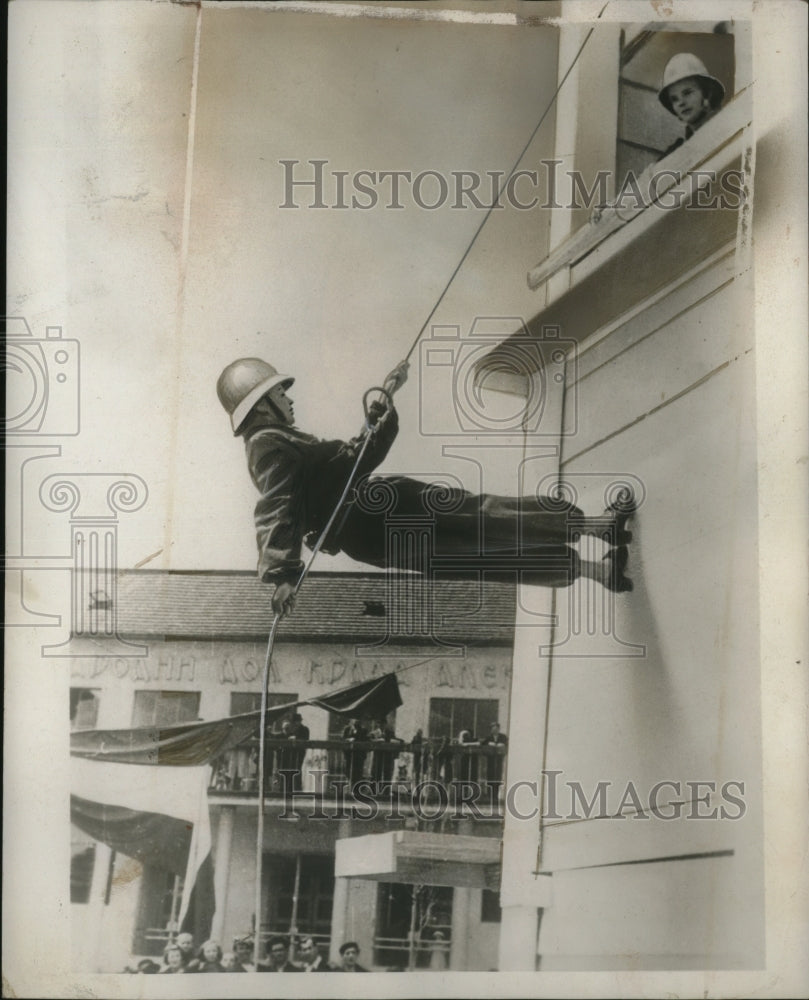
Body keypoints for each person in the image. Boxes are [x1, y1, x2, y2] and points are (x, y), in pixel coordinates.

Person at [216, 358, 635, 620]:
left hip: (366, 536)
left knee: (473, 557)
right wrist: (283, 575)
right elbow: (276, 507)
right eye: (278, 394)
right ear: (261, 405)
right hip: (377, 510)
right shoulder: (267, 445)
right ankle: (600, 529)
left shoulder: (279, 443)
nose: (290, 401)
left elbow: (351, 462)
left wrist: (383, 405)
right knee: (479, 515)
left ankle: (600, 572)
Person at [657, 53, 726, 159]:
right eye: (674, 99)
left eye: (687, 93)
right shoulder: (676, 151)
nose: (681, 103)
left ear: (706, 93)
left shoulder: (725, 128)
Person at [342, 717, 369, 790]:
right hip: (349, 755)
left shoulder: (364, 730)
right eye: (355, 718)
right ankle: (350, 788)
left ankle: (356, 789)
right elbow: (343, 740)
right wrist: (348, 740)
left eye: (358, 718)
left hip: (359, 756)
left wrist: (356, 739)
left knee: (358, 772)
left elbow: (365, 740)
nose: (357, 720)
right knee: (348, 771)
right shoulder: (347, 729)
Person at [287, 712, 310, 792]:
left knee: (297, 768)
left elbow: (305, 739)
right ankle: (290, 787)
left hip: (300, 751)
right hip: (291, 752)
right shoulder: (291, 729)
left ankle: (297, 787)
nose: (297, 723)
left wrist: (295, 738)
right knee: (291, 768)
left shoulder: (305, 729)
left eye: (298, 721)